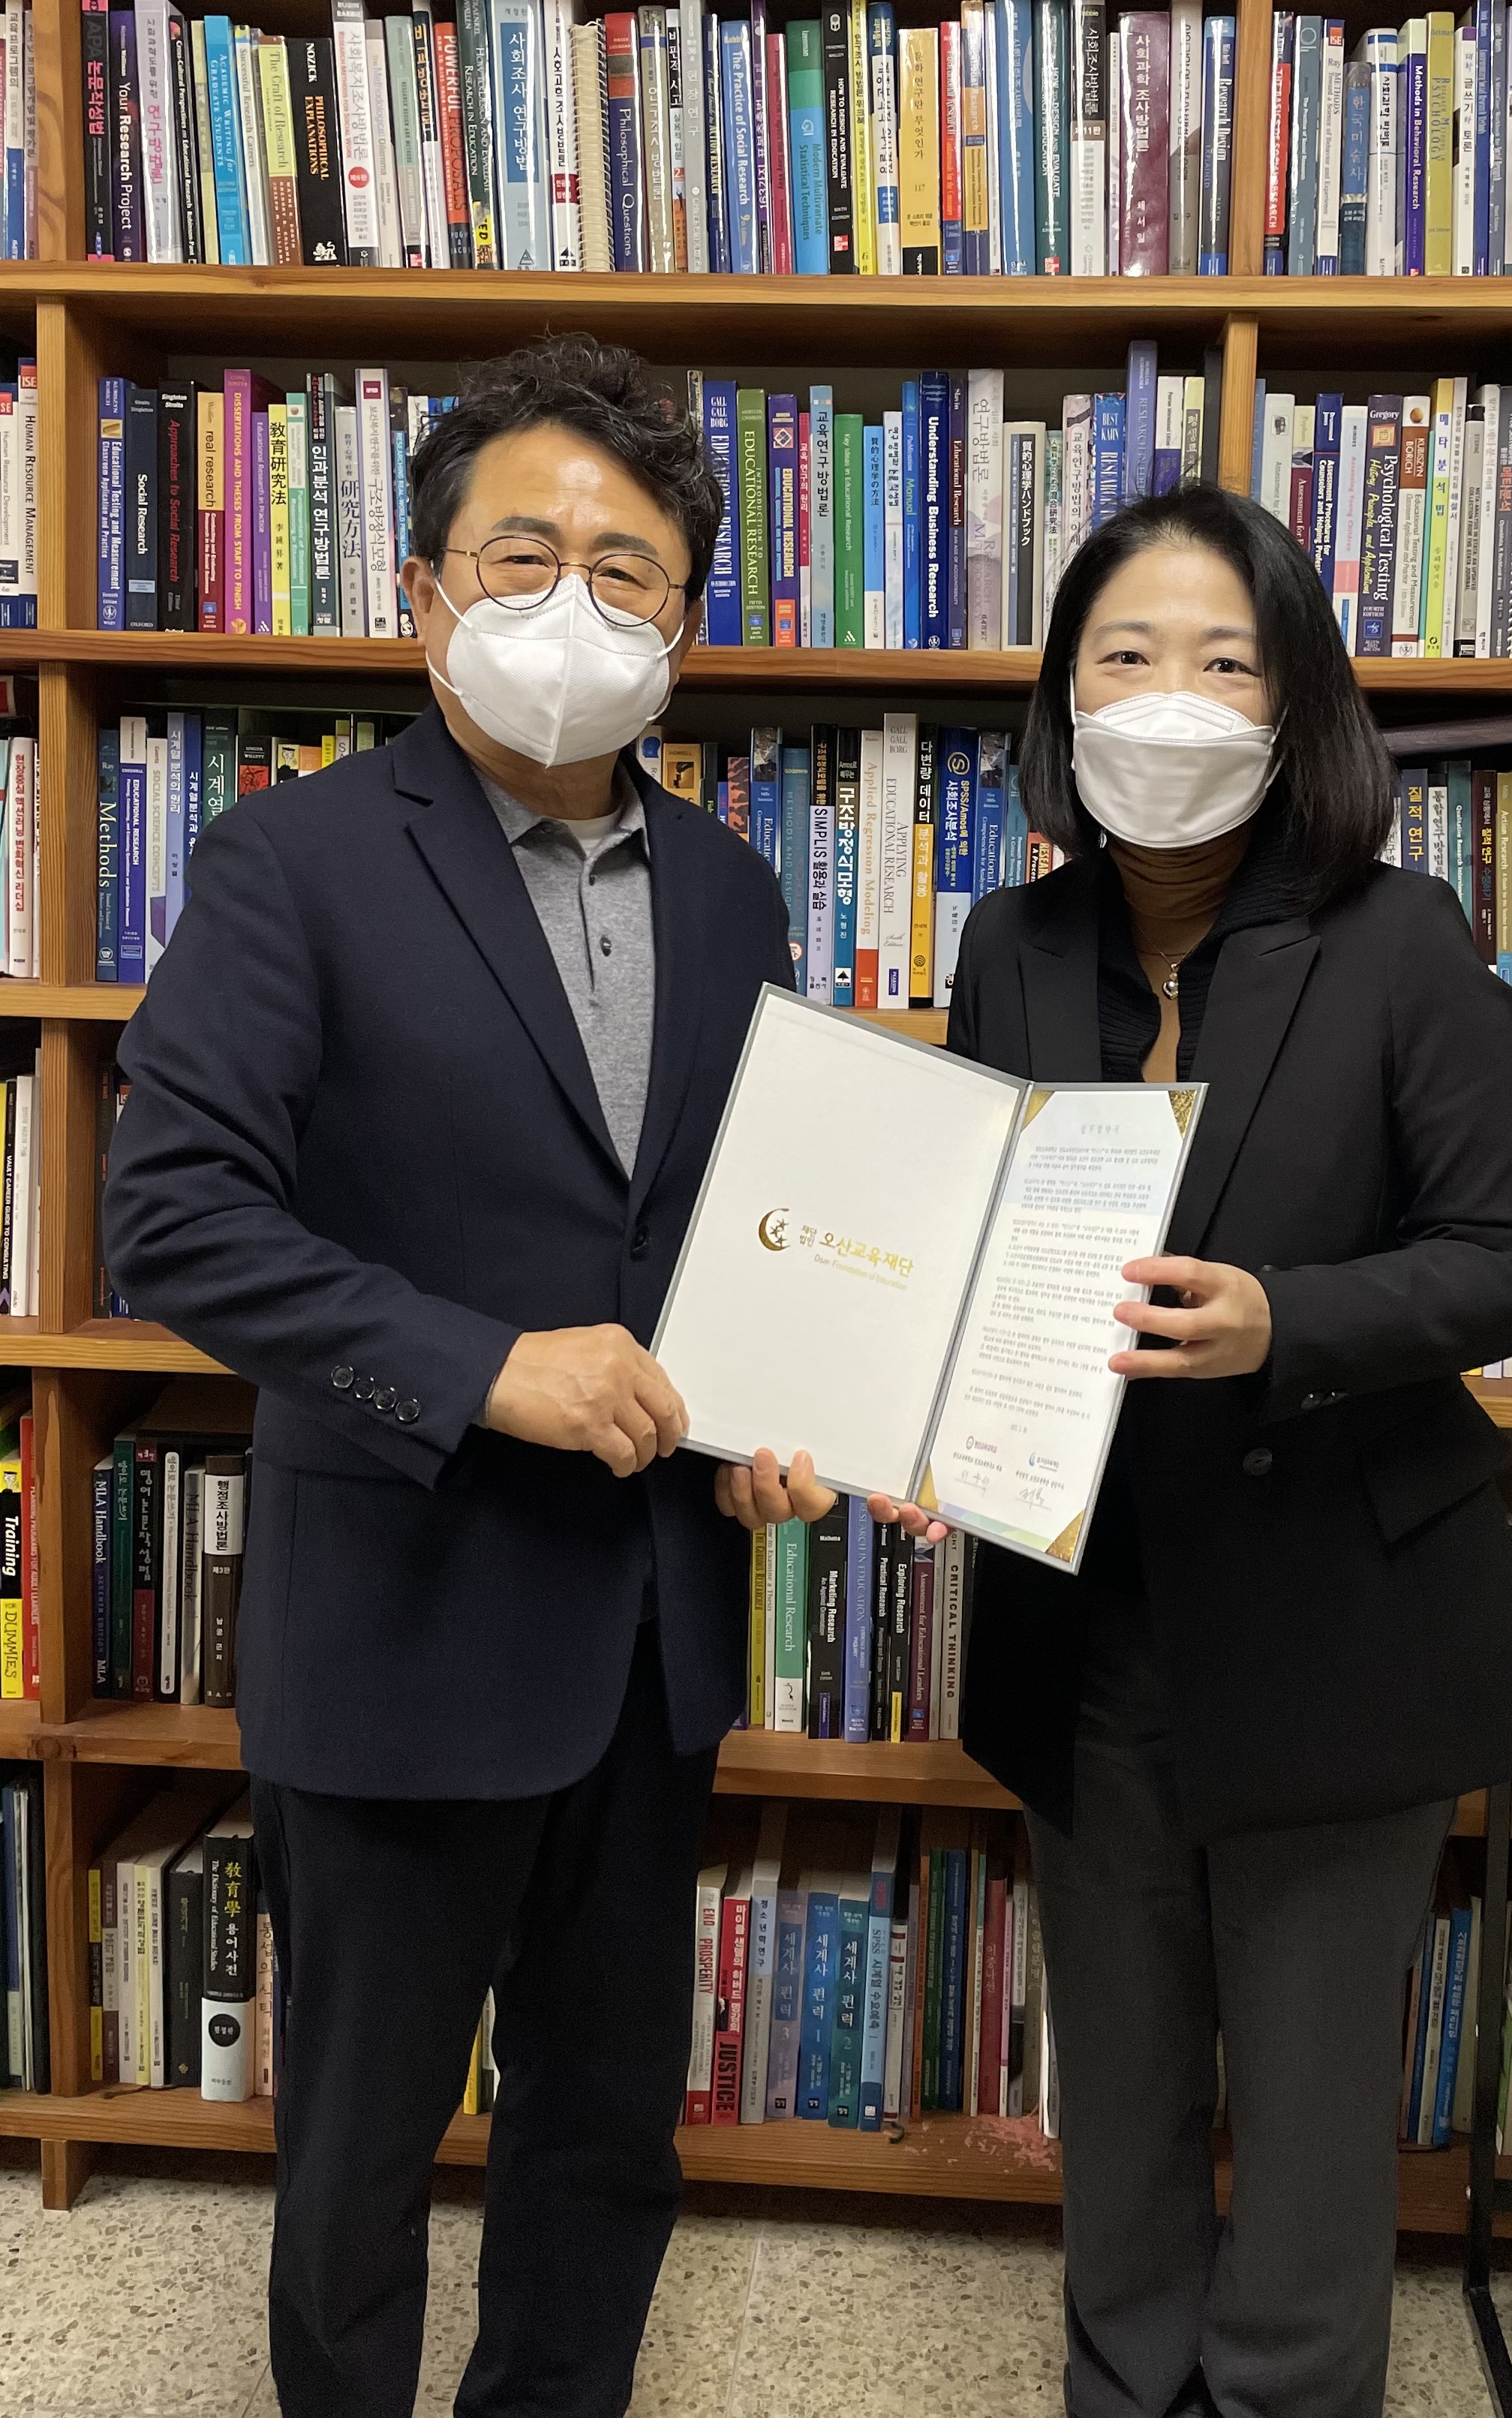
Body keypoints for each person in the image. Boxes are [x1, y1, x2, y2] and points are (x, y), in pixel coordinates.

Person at [101, 335, 826, 2418]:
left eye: (629, 570)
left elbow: (736, 1233)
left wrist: (776, 1417)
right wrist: (483, 1367)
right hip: (402, 1625)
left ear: (682, 627)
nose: (573, 604)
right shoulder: (293, 861)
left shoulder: (735, 893)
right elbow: (175, 1220)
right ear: (425, 590)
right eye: (526, 555)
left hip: (648, 1636)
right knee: (359, 2155)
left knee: (605, 2135)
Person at [908, 483, 1512, 2418]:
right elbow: (968, 1243)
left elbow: (1506, 1260)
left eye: (1225, 661)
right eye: (1126, 657)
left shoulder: (1403, 938)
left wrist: (1290, 1320)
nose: (1170, 700)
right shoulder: (1012, 943)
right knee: (1118, 2080)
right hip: (1087, 1611)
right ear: (1065, 695)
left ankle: (1289, 2392)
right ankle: (1125, 2382)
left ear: (1298, 708)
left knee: (1306, 2103)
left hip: (1333, 1610)